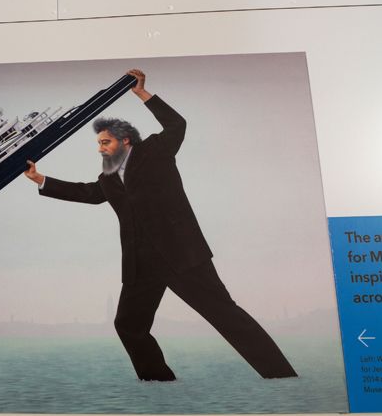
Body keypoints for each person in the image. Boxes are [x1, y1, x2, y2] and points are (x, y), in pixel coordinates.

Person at [24, 69, 297, 381]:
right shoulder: (108, 179)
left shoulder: (156, 150)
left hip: (182, 256)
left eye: (106, 142)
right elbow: (87, 193)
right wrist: (40, 179)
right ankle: (158, 381)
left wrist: (142, 94)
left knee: (225, 314)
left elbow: (177, 125)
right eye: (99, 143)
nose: (101, 148)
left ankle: (281, 375)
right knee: (128, 325)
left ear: (126, 140)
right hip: (142, 264)